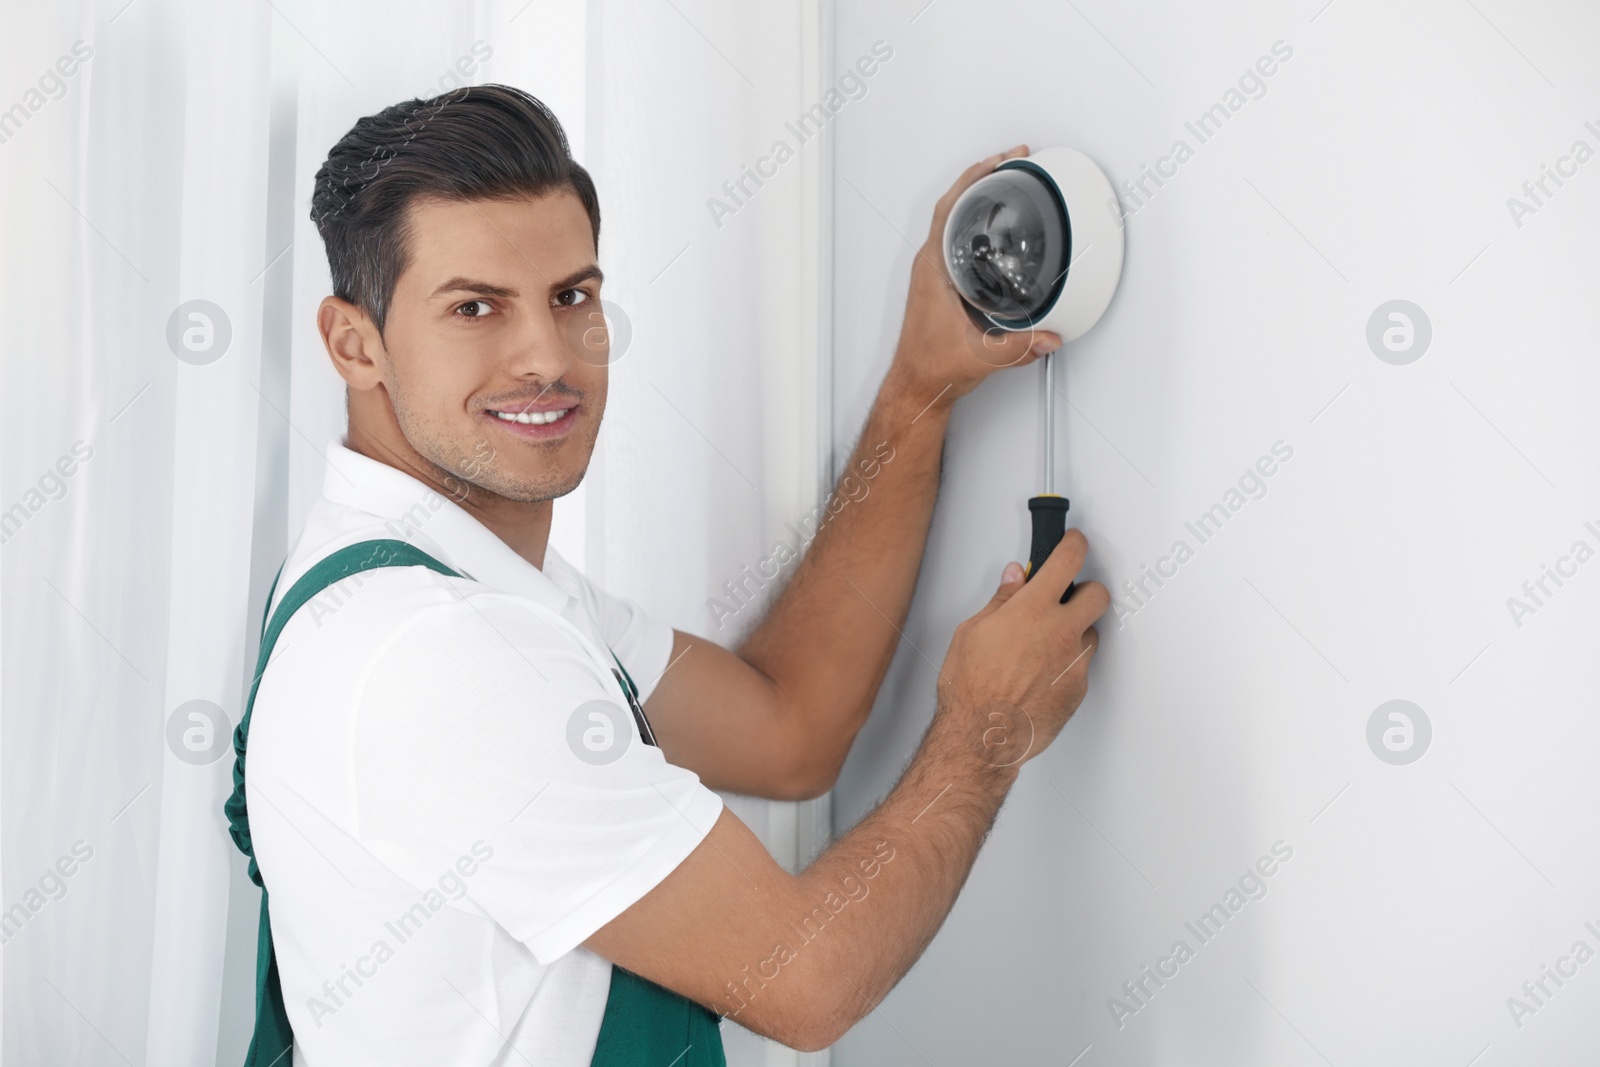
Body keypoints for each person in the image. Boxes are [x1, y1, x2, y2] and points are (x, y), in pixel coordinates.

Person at [226, 83, 1109, 1067]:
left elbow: (788, 729)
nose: (546, 358)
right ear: (356, 343)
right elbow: (806, 980)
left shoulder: (427, 577)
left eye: (572, 297)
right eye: (475, 307)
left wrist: (918, 389)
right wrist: (983, 731)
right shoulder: (438, 648)